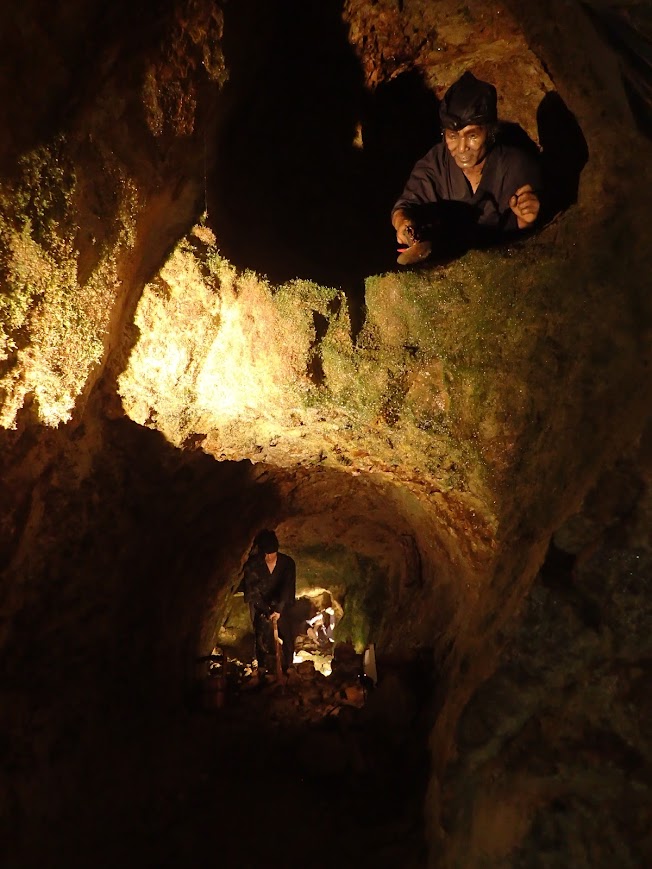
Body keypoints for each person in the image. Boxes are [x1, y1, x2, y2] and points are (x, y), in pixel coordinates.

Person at [391, 71, 542, 265]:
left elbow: (535, 235)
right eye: (453, 136)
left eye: (472, 136)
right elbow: (404, 207)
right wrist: (403, 223)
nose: (461, 148)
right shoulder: (436, 162)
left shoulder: (516, 165)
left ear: (490, 133)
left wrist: (527, 220)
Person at [242, 529, 297, 679]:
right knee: (261, 633)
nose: (268, 557)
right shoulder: (253, 565)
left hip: (281, 604)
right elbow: (252, 591)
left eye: (272, 553)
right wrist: (266, 610)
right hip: (260, 604)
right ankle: (262, 666)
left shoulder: (287, 563)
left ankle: (288, 665)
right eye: (266, 553)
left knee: (286, 633)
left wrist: (278, 609)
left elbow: (287, 587)